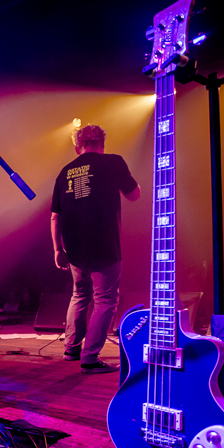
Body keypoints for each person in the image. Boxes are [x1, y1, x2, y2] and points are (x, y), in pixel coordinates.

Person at [50, 124, 140, 373]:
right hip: (104, 243)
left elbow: (55, 216)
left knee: (79, 295)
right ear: (102, 142)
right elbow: (134, 195)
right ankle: (89, 358)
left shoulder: (65, 171)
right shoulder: (113, 162)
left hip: (74, 246)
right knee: (105, 299)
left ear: (78, 146)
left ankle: (71, 349)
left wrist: (58, 249)